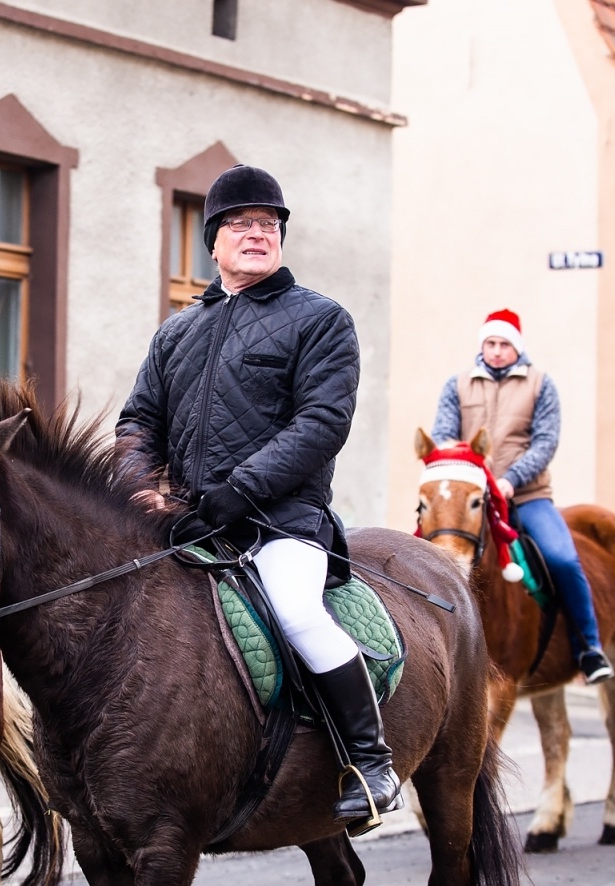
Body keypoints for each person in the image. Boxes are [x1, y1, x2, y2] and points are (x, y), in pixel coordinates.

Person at [116, 164, 402, 828]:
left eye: (269, 225)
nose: (257, 234)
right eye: (241, 224)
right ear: (213, 241)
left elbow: (321, 424)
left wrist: (234, 495)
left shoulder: (321, 320)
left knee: (296, 612)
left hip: (281, 522)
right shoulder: (176, 333)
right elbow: (138, 423)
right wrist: (135, 487)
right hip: (191, 522)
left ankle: (371, 759)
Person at [431, 309, 615, 683]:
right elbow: (445, 436)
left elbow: (545, 441)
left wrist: (511, 480)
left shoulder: (540, 384)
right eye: (490, 343)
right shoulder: (458, 384)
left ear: (517, 348)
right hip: (475, 497)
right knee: (429, 549)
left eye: (504, 344)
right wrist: (466, 474)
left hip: (527, 496)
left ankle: (588, 647)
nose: (496, 351)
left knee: (562, 559)